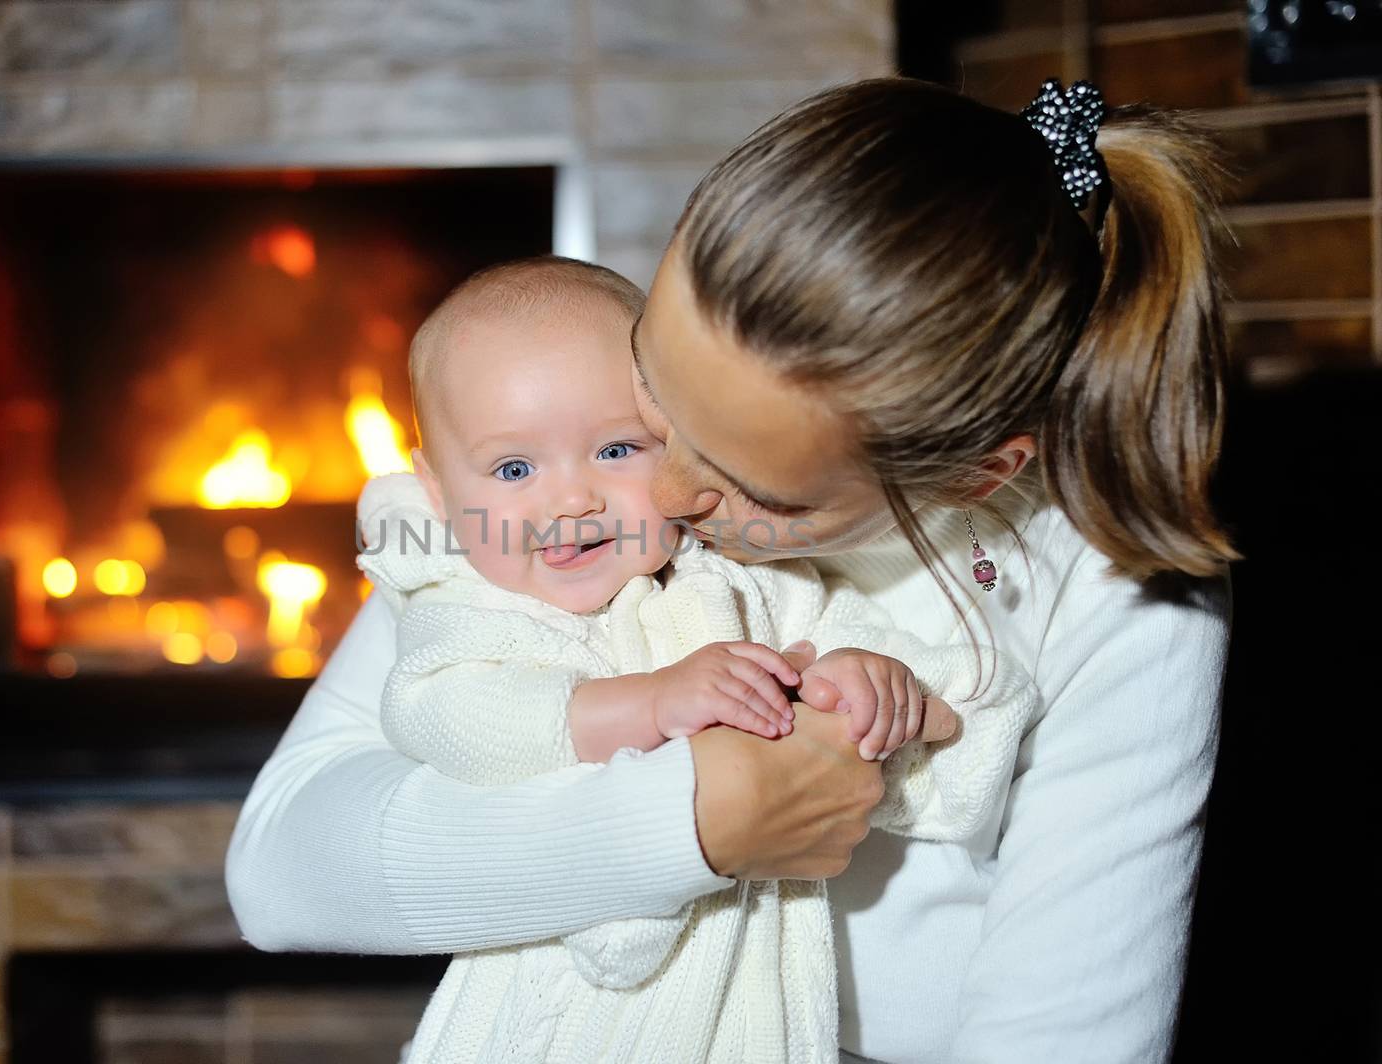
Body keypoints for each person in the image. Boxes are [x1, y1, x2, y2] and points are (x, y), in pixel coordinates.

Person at [226, 76, 1232, 1063]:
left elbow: (1059, 1030)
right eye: (656, 397)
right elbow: (283, 867)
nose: (661, 494)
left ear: (975, 476)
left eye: (756, 488)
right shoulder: (544, 491)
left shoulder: (1118, 593)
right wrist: (690, 822)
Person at [354, 256, 1037, 1061]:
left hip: (749, 1005)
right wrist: (646, 705)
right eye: (514, 469)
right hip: (547, 1022)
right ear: (435, 491)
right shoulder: (467, 600)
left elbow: (945, 713)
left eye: (616, 450)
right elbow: (441, 710)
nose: (571, 500)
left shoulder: (743, 580)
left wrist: (878, 689)